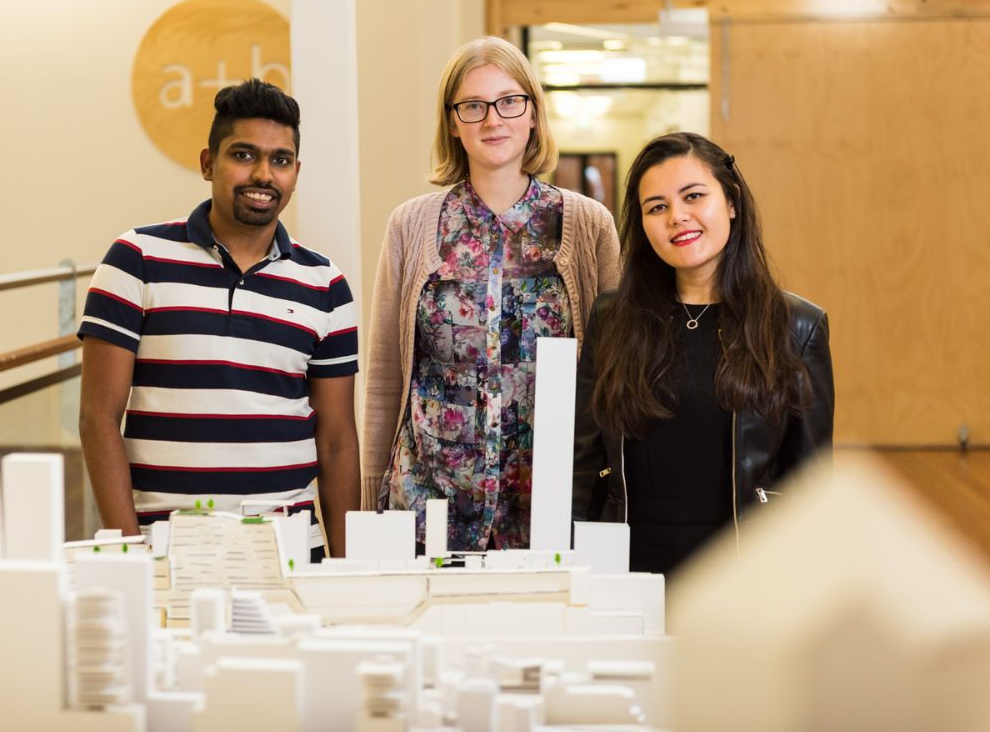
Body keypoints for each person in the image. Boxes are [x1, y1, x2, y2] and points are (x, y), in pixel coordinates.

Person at [78, 78, 360, 559]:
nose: (263, 175)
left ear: (295, 171)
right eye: (244, 155)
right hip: (167, 548)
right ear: (209, 163)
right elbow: (98, 418)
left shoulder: (325, 285)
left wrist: (346, 567)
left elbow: (336, 441)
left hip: (289, 550)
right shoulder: (136, 259)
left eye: (280, 160)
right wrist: (128, 554)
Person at [363, 37, 622, 552]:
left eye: (509, 101)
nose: (492, 120)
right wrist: (367, 501)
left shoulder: (588, 224)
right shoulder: (411, 225)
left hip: (549, 507)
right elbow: (385, 378)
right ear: (453, 122)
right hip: (427, 507)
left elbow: (616, 372)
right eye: (473, 106)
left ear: (532, 114)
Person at [572, 132, 834, 576]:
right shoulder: (614, 318)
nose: (677, 217)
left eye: (693, 196)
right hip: (626, 578)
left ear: (731, 202)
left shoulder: (796, 327)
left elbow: (808, 486)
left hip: (740, 582)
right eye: (657, 207)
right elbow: (584, 463)